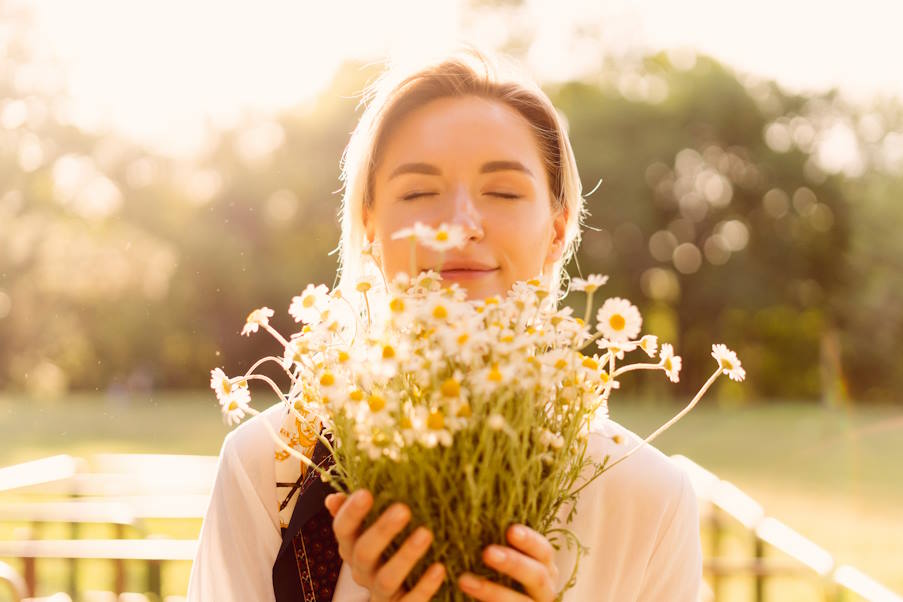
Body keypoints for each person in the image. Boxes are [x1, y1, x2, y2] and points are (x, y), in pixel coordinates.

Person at [187, 47, 703, 602]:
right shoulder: (274, 468)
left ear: (556, 232)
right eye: (418, 192)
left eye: (503, 192)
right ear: (370, 229)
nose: (459, 225)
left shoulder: (647, 498)